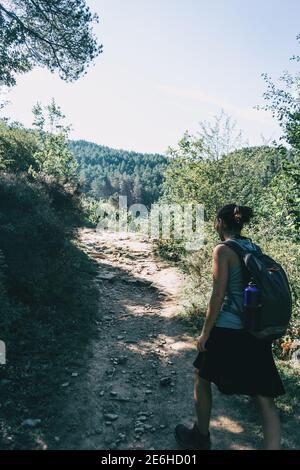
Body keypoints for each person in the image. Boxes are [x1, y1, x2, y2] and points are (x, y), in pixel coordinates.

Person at [175, 203, 285, 450]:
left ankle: (200, 437)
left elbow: (217, 296)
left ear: (219, 223)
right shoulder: (252, 247)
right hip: (255, 329)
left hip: (228, 328)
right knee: (265, 398)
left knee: (202, 377)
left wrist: (205, 332)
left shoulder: (222, 250)